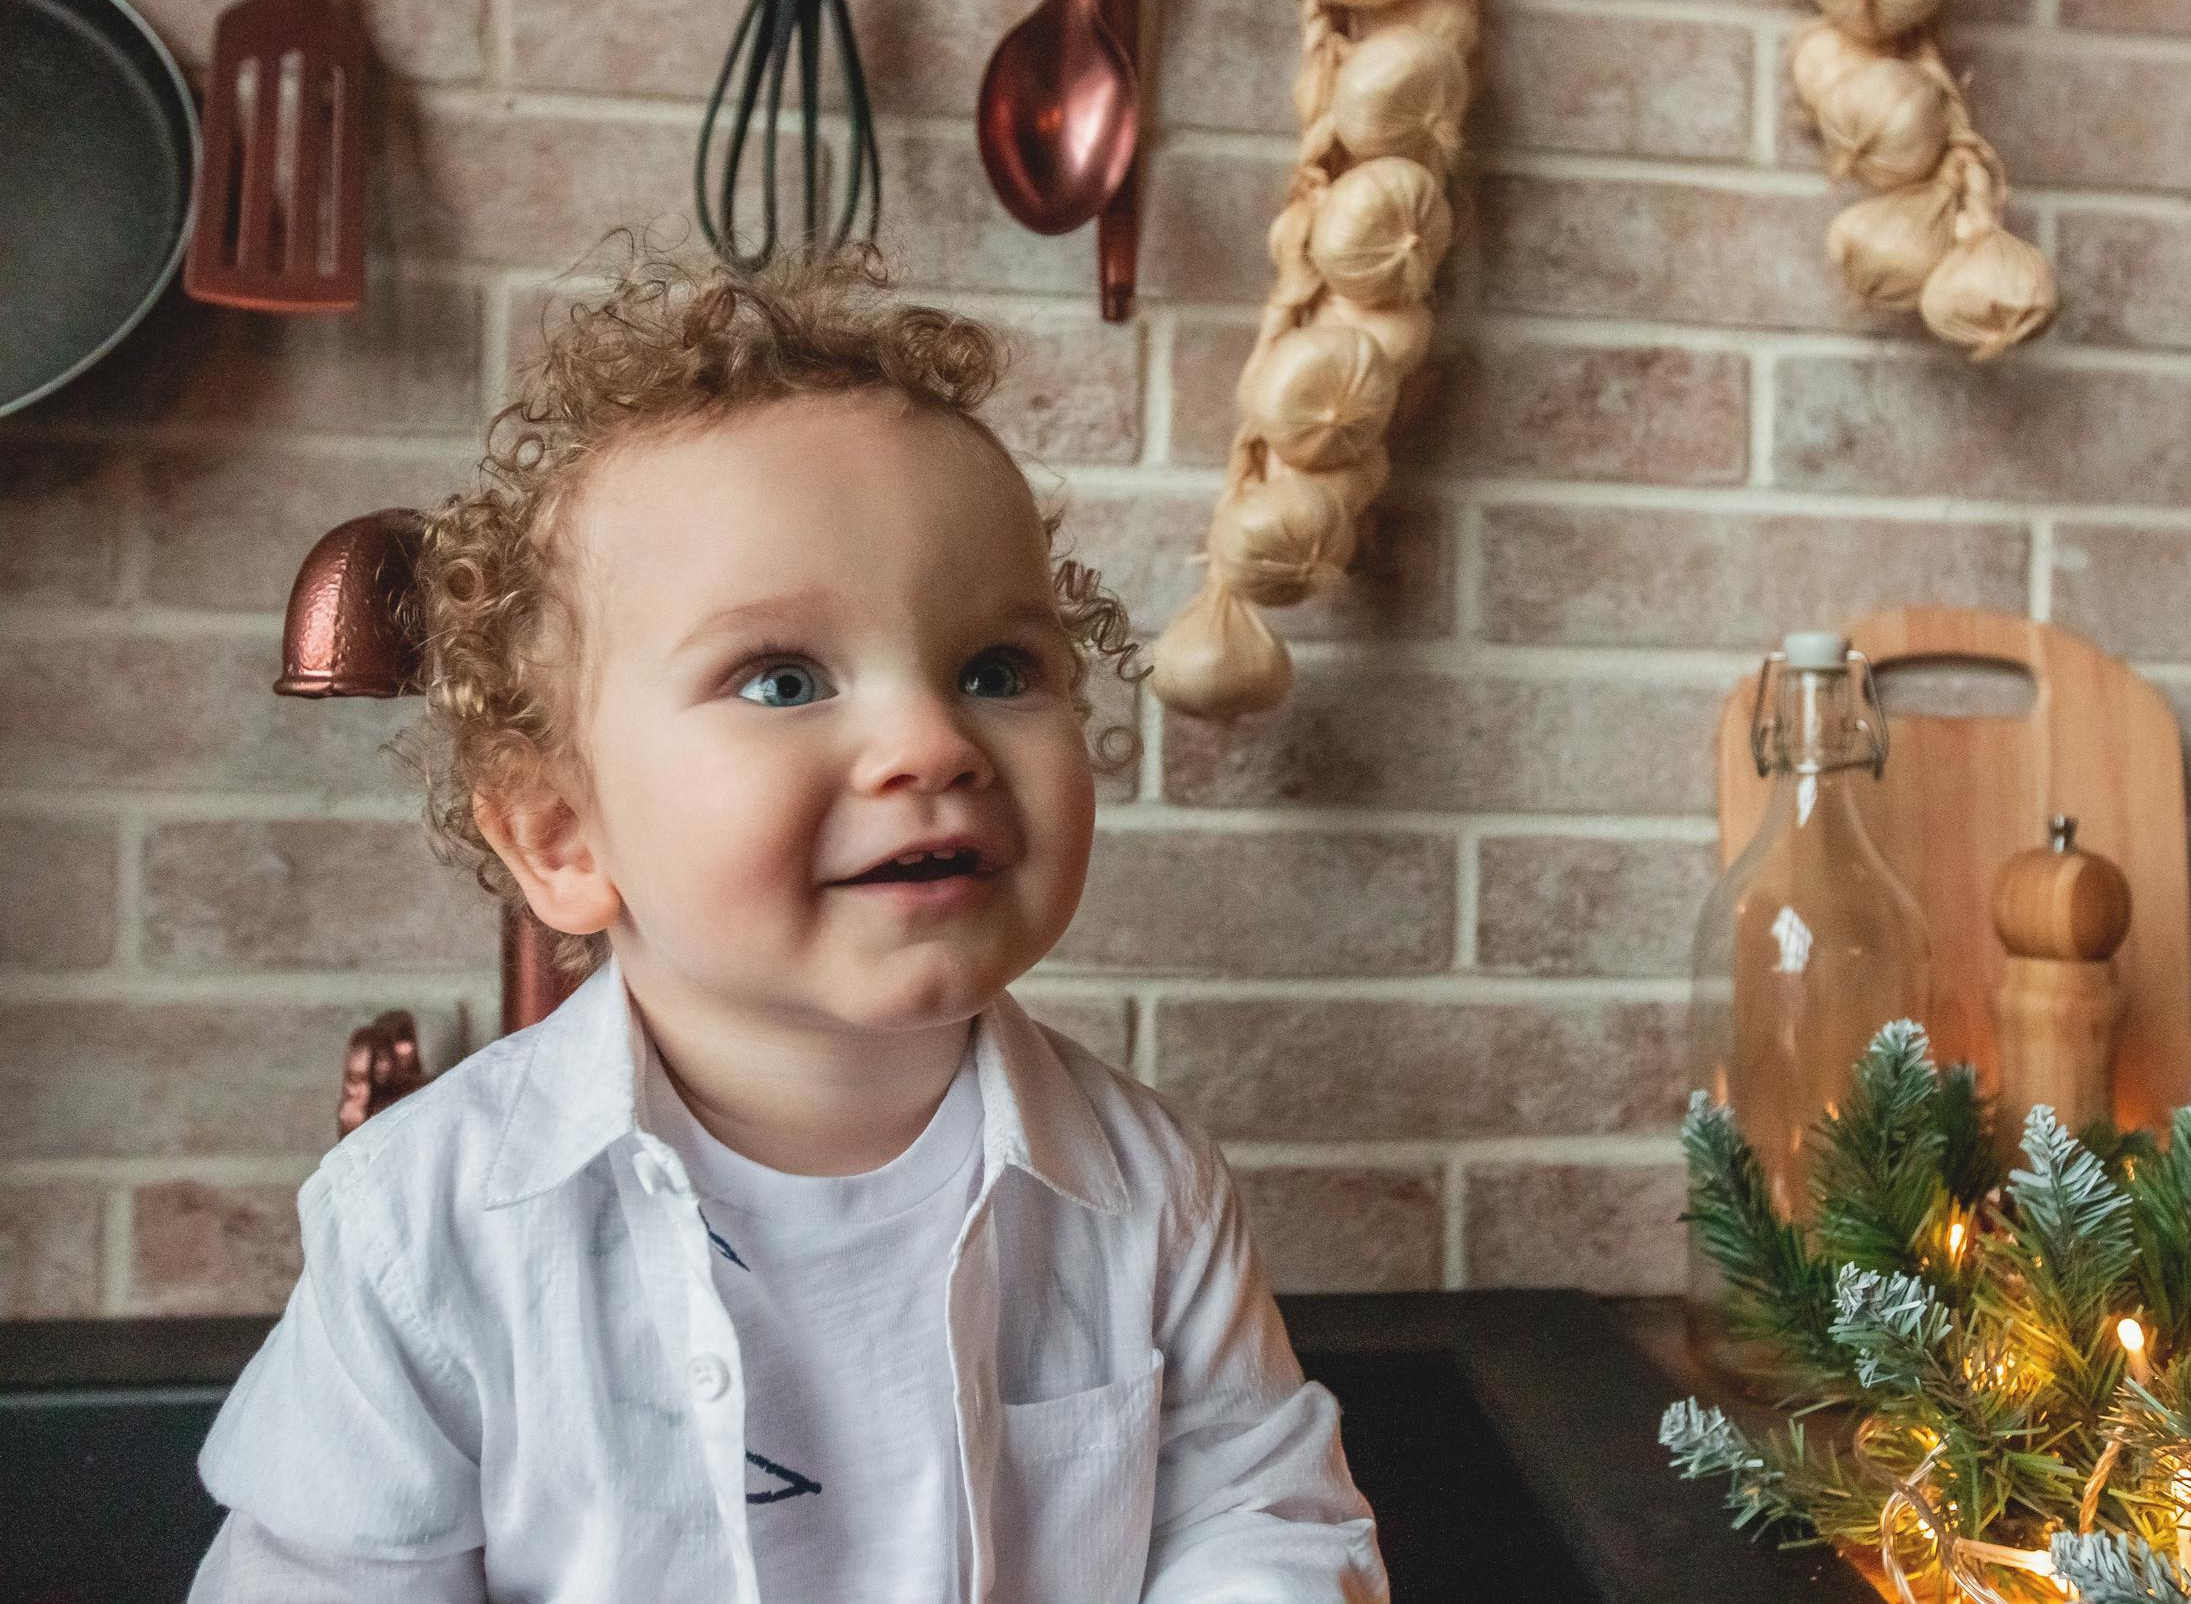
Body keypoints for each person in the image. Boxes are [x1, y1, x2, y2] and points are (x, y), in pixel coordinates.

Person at [187, 239, 1388, 1604]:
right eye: (780, 680)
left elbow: (1261, 1516)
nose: (930, 740)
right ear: (563, 837)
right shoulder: (424, 1232)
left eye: (996, 667)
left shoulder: (1149, 1191)